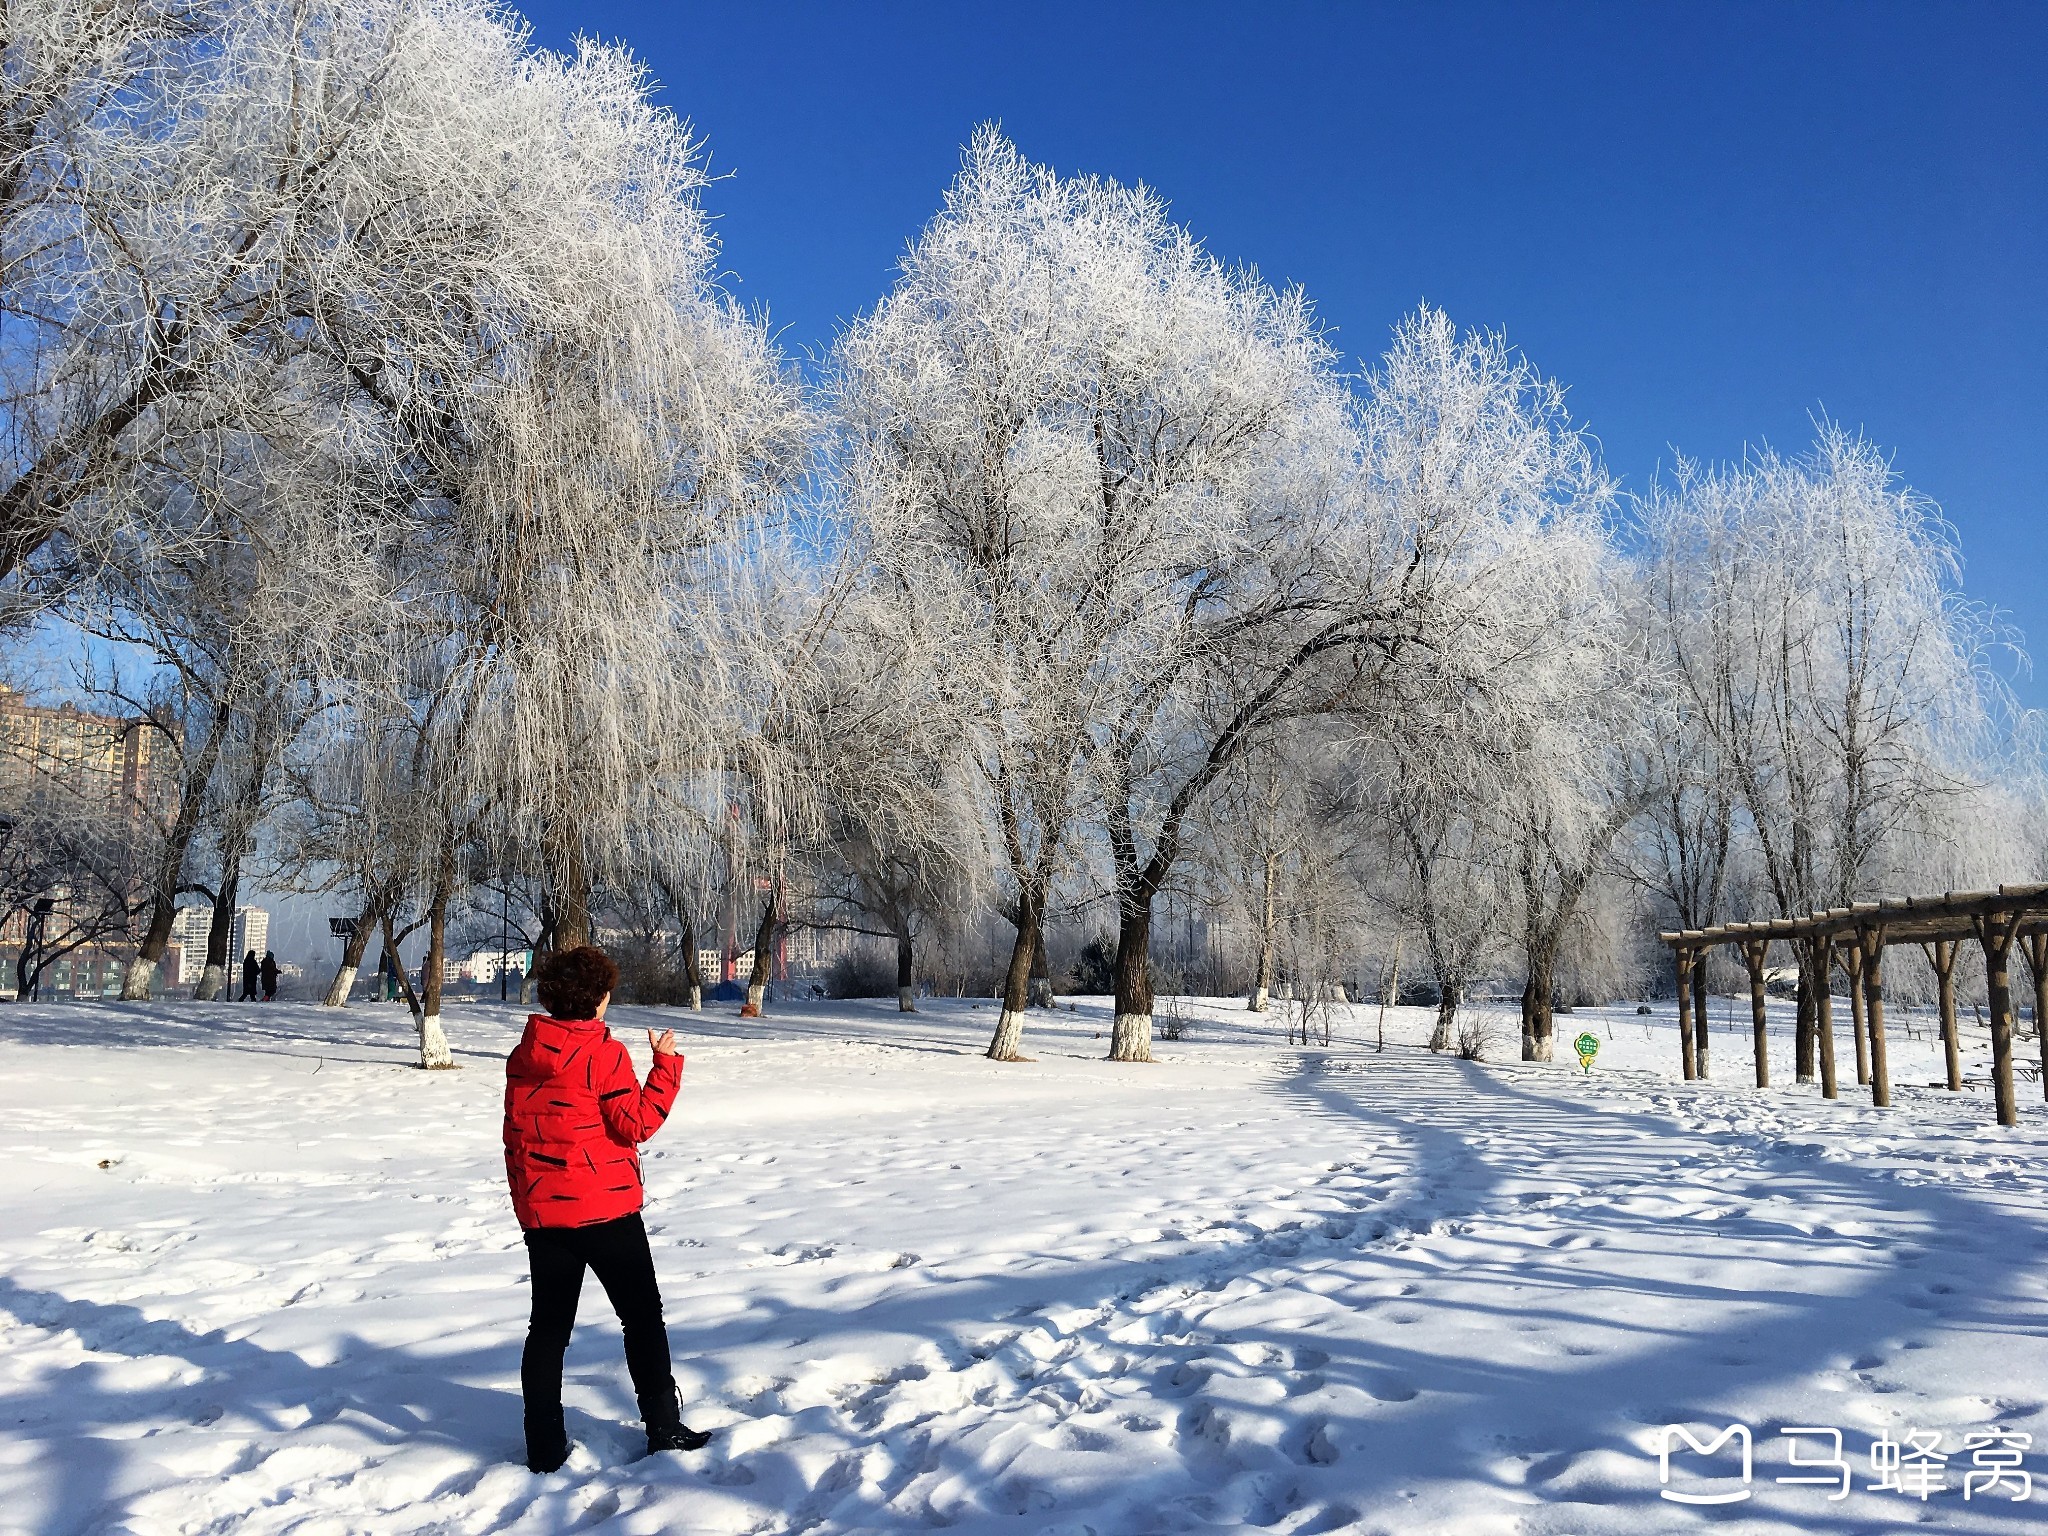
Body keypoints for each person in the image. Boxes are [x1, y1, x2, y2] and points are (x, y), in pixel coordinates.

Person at [503, 945, 707, 1473]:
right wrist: (665, 1066)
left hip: (546, 1217)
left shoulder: (524, 1056)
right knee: (642, 1318)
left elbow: (518, 1136)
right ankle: (663, 1426)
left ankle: (543, 1447)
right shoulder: (603, 1054)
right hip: (607, 1213)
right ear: (597, 1000)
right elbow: (636, 1123)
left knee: (548, 1329)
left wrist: (527, 1204)